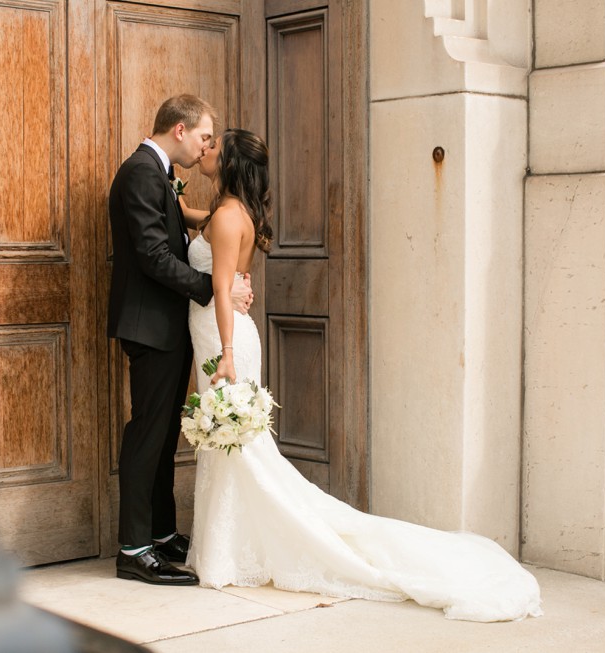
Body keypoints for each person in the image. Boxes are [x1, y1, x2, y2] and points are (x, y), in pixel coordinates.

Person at [183, 128, 543, 622]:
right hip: (224, 337)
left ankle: (230, 553)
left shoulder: (226, 217)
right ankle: (226, 549)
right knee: (237, 452)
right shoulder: (230, 211)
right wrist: (180, 212)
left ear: (230, 165)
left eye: (215, 147)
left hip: (224, 343)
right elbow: (218, 251)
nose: (207, 150)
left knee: (241, 454)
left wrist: (225, 353)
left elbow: (223, 290)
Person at [107, 95, 252, 586]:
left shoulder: (158, 172)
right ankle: (133, 550)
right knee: (147, 434)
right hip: (150, 326)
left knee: (165, 435)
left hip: (167, 326)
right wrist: (214, 289)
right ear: (179, 130)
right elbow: (151, 254)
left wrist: (198, 222)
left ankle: (163, 534)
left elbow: (171, 225)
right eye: (204, 136)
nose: (208, 145)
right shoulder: (142, 172)